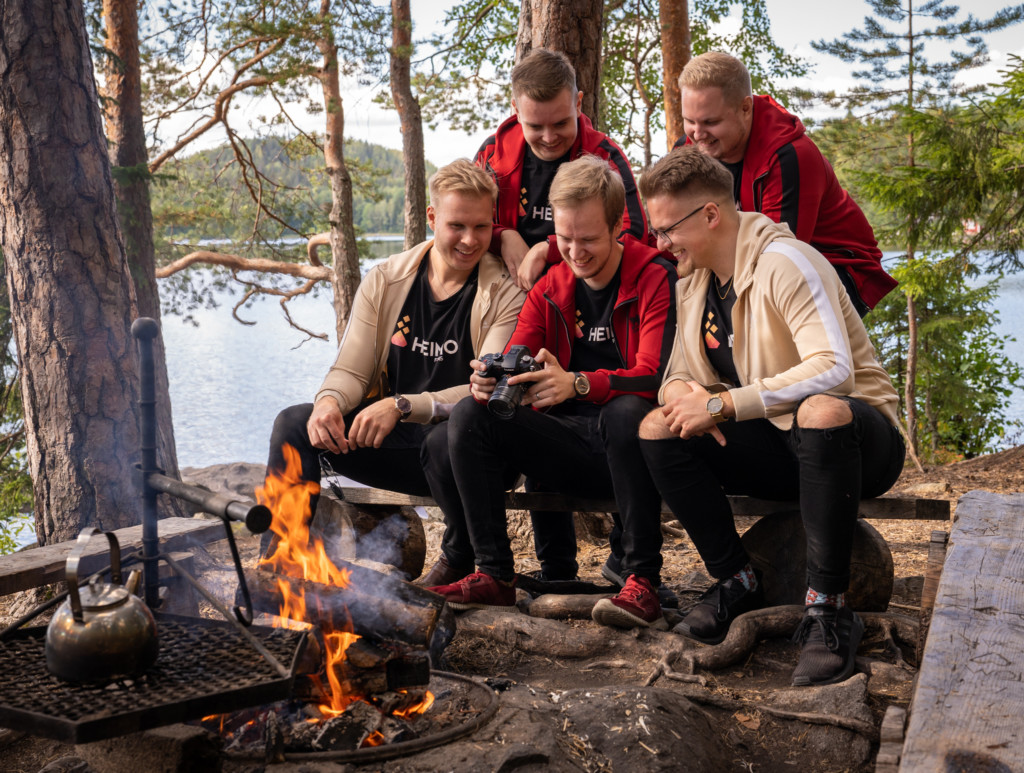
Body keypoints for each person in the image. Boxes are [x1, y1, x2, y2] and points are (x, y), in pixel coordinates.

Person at [637, 146, 905, 686]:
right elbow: (674, 376)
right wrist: (689, 395)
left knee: (820, 410)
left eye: (667, 231)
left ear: (710, 215)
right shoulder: (696, 282)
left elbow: (834, 371)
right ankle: (737, 580)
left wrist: (723, 403)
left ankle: (829, 611)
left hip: (855, 444)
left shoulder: (788, 262)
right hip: (780, 444)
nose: (661, 246)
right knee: (657, 427)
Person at [425, 156, 677, 630]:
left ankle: (642, 579)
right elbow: (518, 352)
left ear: (619, 227)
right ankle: (493, 574)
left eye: (588, 239)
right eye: (564, 239)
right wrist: (491, 379)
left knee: (627, 412)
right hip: (567, 448)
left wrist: (579, 383)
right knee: (467, 416)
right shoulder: (551, 285)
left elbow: (655, 374)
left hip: (634, 452)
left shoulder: (653, 275)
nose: (575, 252)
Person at [261, 159, 525, 572]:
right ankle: (280, 562)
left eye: (482, 227)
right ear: (433, 218)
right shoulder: (386, 278)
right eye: (457, 226)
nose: (470, 241)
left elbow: (484, 389)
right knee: (294, 423)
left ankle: (461, 558)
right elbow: (352, 368)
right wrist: (329, 402)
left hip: (471, 455)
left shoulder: (504, 292)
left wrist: (402, 405)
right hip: (401, 447)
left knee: (447, 438)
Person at [475, 47, 649, 579]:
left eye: (560, 123)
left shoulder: (606, 156)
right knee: (522, 397)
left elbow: (635, 234)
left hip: (591, 295)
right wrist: (503, 234)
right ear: (514, 111)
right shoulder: (493, 153)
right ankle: (554, 567)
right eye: (535, 126)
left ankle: (628, 559)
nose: (549, 137)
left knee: (616, 411)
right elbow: (465, 229)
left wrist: (550, 247)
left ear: (579, 101)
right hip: (521, 301)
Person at [673, 51, 896, 316]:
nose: (697, 134)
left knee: (768, 307)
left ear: (745, 108)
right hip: (752, 260)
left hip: (836, 266)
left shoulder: (790, 156)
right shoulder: (690, 149)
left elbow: (776, 259)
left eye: (711, 122)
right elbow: (676, 234)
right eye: (690, 121)